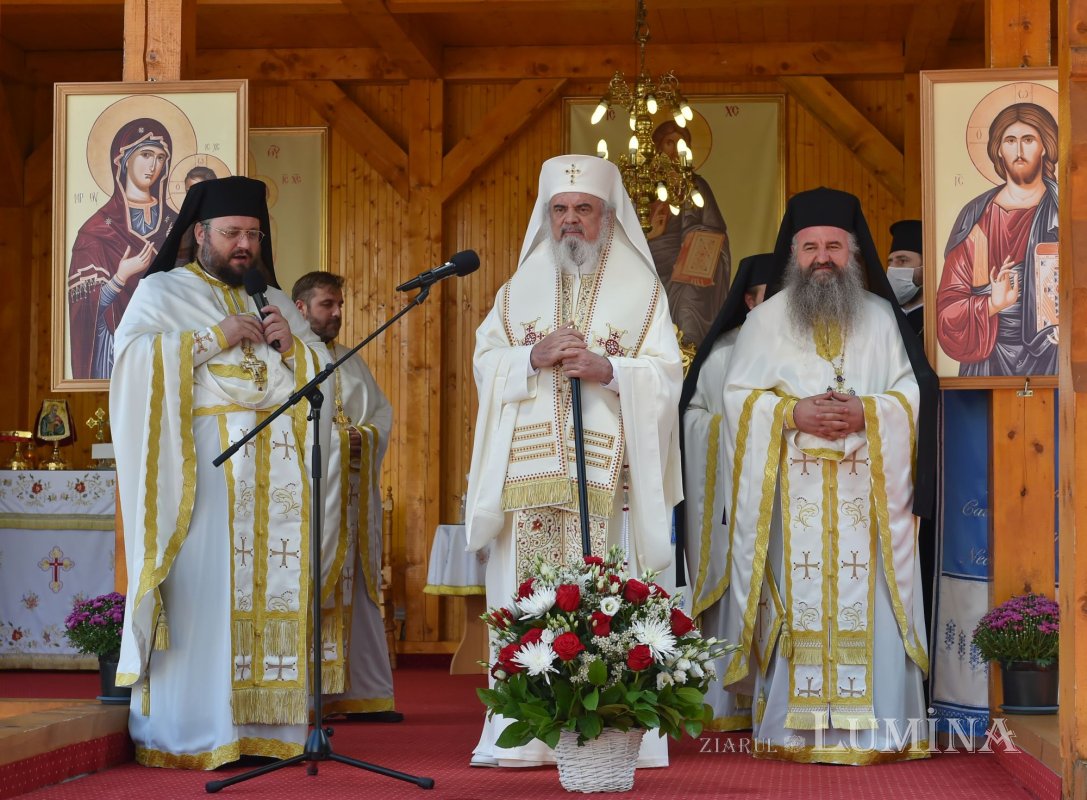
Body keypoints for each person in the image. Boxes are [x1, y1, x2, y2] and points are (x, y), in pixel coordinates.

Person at [465, 154, 683, 768]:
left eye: (583, 208)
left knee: (609, 601)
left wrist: (611, 370)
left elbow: (667, 375)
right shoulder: (518, 289)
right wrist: (529, 358)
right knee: (527, 600)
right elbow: (485, 361)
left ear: (607, 216)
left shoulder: (643, 292)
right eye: (559, 209)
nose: (570, 220)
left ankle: (611, 730)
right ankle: (523, 735)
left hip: (609, 482)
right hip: (529, 480)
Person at [110, 176, 334, 769]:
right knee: (203, 597)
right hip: (200, 476)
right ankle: (196, 729)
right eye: (232, 233)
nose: (244, 246)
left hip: (275, 479)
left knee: (266, 593)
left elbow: (323, 382)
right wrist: (214, 337)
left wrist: (296, 350)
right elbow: (132, 363)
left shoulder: (274, 299)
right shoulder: (163, 290)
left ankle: (266, 729)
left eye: (253, 235)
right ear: (201, 233)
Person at [720, 187, 938, 764]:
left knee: (874, 606)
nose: (823, 258)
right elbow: (737, 400)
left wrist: (868, 411)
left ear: (853, 252)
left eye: (834, 247)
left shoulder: (882, 318)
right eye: (811, 247)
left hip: (870, 504)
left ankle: (881, 731)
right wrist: (792, 413)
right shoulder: (766, 320)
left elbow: (913, 392)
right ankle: (794, 731)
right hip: (794, 506)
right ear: (794, 254)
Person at [291, 271, 401, 723]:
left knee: (357, 587)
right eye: (327, 305)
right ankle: (310, 696)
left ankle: (362, 692)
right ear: (300, 308)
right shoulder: (288, 359)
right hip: (311, 499)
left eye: (340, 305)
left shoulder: (351, 360)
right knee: (313, 582)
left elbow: (381, 413)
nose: (337, 313)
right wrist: (339, 440)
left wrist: (363, 436)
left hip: (353, 497)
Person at [677, 252, 774, 732]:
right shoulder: (722, 355)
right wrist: (725, 434)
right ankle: (726, 704)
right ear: (749, 300)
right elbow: (693, 419)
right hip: (732, 502)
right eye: (771, 295)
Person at [935, 102, 1059, 376]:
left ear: (1045, 146)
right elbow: (947, 308)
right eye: (1010, 140)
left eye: (1028, 140)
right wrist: (992, 303)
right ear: (998, 150)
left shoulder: (1066, 212)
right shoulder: (976, 217)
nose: (1019, 150)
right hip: (986, 359)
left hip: (1053, 355)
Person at [67, 117, 176, 380]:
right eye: (146, 155)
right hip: (114, 352)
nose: (153, 166)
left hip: (168, 345)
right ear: (123, 160)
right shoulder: (96, 230)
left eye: (160, 158)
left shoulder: (175, 224)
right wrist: (121, 277)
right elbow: (85, 310)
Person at [646, 120, 732, 348]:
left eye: (681, 144)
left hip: (687, 266)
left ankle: (689, 359)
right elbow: (622, 237)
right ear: (657, 146)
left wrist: (693, 239)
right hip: (648, 263)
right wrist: (650, 234)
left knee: (689, 303)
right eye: (669, 143)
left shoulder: (696, 186)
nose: (675, 150)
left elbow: (715, 230)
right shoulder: (641, 185)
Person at [887, 219, 924, 336]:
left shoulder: (940, 319)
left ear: (925, 267)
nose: (892, 269)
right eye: (890, 262)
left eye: (902, 261)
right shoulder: (884, 317)